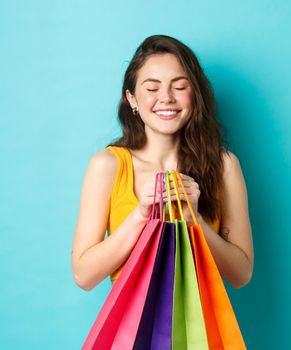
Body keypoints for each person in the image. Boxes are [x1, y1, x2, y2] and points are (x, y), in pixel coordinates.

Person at [71, 34, 253, 291]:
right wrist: (141, 215)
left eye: (179, 87)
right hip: (133, 330)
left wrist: (196, 221)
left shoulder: (224, 166)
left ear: (195, 95)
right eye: (152, 88)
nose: (166, 98)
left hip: (203, 330)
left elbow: (241, 273)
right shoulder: (107, 165)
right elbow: (83, 276)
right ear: (132, 99)